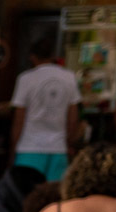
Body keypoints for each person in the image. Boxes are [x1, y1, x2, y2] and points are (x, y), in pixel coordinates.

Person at [10, 37, 81, 183]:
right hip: (58, 147)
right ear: (53, 56)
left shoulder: (25, 78)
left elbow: (19, 118)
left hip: (29, 148)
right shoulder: (69, 77)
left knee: (27, 195)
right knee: (54, 197)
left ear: (32, 57)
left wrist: (13, 147)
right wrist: (69, 142)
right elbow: (73, 116)